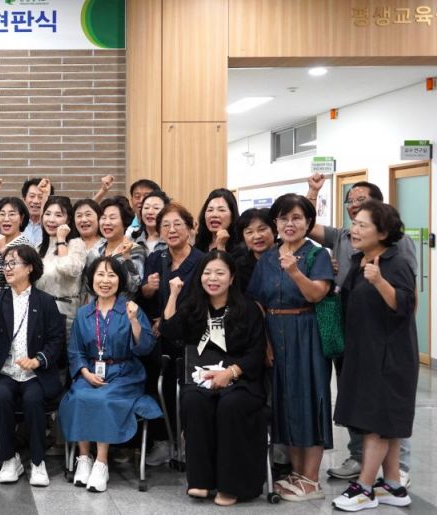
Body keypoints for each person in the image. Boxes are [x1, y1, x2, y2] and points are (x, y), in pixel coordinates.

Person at [305, 175, 417, 486]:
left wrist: (381, 286)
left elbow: (407, 299)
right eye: (350, 202)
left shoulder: (396, 252)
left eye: (361, 202)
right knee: (362, 408)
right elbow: (307, 224)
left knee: (384, 414)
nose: (353, 207)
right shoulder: (350, 245)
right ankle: (378, 473)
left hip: (386, 343)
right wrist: (313, 191)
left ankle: (380, 479)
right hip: (357, 341)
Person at [160, 251, 268, 506]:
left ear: (232, 278)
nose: (213, 278)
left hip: (241, 379)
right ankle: (201, 480)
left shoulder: (248, 309)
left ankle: (232, 486)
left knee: (231, 406)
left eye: (220, 273)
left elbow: (256, 353)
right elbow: (169, 329)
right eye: (207, 273)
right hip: (202, 379)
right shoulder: (194, 306)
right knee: (193, 402)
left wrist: (231, 372)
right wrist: (174, 294)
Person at [247, 193, 333, 502]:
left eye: (296, 218)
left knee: (311, 399)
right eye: (283, 218)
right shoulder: (269, 257)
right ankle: (297, 474)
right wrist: (266, 342)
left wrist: (295, 272)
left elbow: (316, 294)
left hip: (306, 333)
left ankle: (312, 480)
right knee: (285, 401)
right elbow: (257, 301)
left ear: (308, 222)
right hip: (275, 331)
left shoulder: (317, 255)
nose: (289, 224)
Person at [332, 202, 416, 511]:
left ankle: (364, 488)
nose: (354, 230)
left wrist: (379, 281)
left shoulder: (396, 263)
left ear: (382, 232)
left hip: (389, 356)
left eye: (362, 225)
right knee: (385, 422)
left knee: (375, 422)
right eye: (354, 224)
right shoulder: (359, 260)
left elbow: (404, 306)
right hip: (365, 351)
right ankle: (392, 484)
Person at [59, 257, 159, 492]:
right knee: (79, 396)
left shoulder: (131, 309)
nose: (105, 281)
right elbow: (75, 351)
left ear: (120, 280)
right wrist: (85, 373)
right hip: (90, 371)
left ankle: (101, 462)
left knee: (103, 399)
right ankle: (84, 458)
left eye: (111, 275)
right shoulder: (83, 313)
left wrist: (134, 321)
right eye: (100, 275)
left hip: (124, 374)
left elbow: (146, 347)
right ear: (92, 279)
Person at [0, 245, 65, 487]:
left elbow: (56, 339)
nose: (7, 268)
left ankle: (38, 461)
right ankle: (9, 458)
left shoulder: (45, 301)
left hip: (35, 373)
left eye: (13, 263)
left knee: (33, 399)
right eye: (5, 264)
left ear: (29, 268)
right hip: (5, 371)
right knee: (0, 396)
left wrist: (37, 359)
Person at [138, 202, 205, 466]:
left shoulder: (201, 261)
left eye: (178, 224)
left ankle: (189, 441)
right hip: (161, 336)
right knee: (155, 383)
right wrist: (148, 290)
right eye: (165, 225)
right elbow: (146, 297)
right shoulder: (156, 259)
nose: (171, 229)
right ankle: (163, 441)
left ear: (190, 228)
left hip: (192, 336)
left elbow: (202, 302)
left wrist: (169, 320)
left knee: (190, 391)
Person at [34, 196, 86, 328]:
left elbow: (70, 269)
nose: (51, 220)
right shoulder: (39, 247)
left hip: (65, 313)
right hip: (40, 311)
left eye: (58, 215)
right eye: (47, 214)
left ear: (68, 220)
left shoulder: (76, 244)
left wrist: (61, 239)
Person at [94, 196, 147, 299]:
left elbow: (134, 286)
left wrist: (126, 258)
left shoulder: (135, 250)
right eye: (103, 218)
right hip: (98, 306)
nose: (106, 222)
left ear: (124, 222)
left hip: (123, 306)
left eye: (112, 218)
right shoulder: (97, 249)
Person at [0, 177, 53, 246]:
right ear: (24, 199)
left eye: (41, 197)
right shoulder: (11, 223)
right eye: (32, 196)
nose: (36, 201)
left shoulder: (52, 225)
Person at [0, 196, 34, 288]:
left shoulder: (26, 246)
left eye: (12, 214)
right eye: (2, 214)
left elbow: (23, 278)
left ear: (22, 218)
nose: (6, 219)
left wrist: (3, 250)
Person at [94, 176, 162, 231]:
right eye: (137, 196)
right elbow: (90, 210)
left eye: (146, 196)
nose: (141, 200)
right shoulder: (126, 223)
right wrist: (103, 191)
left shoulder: (163, 224)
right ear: (131, 200)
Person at [233, 208, 276, 292]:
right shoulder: (240, 266)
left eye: (262, 229)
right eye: (249, 232)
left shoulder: (288, 257)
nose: (257, 236)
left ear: (274, 230)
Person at [193, 189, 240, 253]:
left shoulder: (241, 248)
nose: (214, 215)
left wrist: (221, 247)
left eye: (221, 210)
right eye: (210, 210)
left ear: (232, 215)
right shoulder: (199, 245)